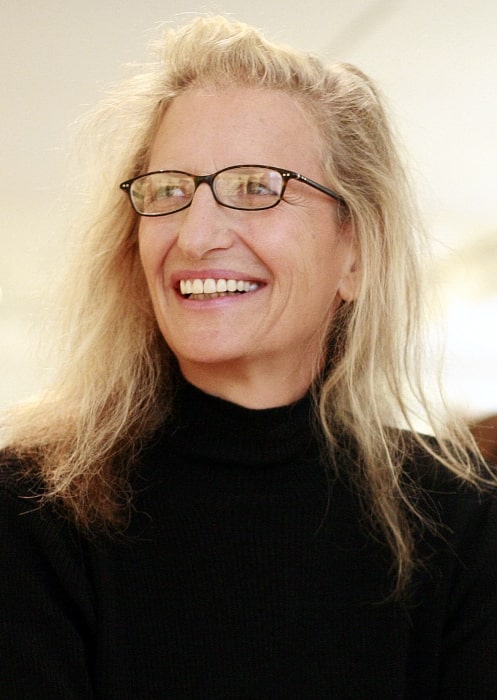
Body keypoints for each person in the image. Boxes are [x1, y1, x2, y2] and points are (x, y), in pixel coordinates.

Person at [1, 15, 496, 699]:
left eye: (256, 187)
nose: (195, 235)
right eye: (169, 191)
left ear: (353, 254)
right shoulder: (33, 508)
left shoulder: (459, 520)